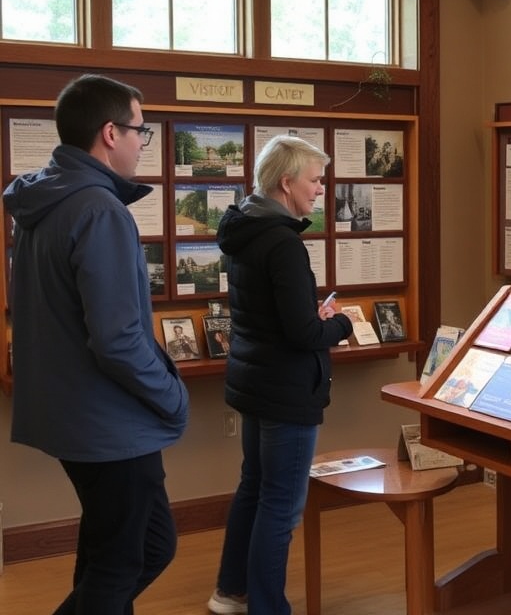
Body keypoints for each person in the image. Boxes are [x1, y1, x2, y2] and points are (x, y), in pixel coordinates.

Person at [2, 73, 190, 613]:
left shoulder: (48, 200)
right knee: (124, 561)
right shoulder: (98, 210)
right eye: (140, 131)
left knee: (126, 551)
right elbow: (117, 340)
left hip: (76, 416)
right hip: (109, 423)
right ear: (111, 134)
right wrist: (171, 394)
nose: (141, 144)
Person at [209, 135, 353, 615]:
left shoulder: (244, 230)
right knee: (281, 506)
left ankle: (231, 591)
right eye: (314, 180)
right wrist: (343, 323)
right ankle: (268, 607)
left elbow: (269, 313)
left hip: (254, 382)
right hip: (286, 390)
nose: (319, 190)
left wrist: (306, 315)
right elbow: (302, 333)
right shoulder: (284, 243)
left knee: (254, 487)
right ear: (287, 182)